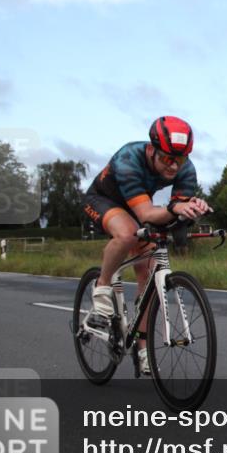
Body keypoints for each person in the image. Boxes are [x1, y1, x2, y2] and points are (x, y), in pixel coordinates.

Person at [81, 116, 212, 375]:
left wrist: (192, 210)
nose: (174, 166)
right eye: (167, 158)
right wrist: (175, 208)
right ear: (151, 150)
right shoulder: (128, 159)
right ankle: (102, 287)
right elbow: (147, 214)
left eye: (180, 159)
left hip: (139, 205)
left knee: (149, 272)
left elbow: (176, 212)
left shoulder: (186, 168)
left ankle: (142, 350)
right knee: (127, 233)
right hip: (103, 200)